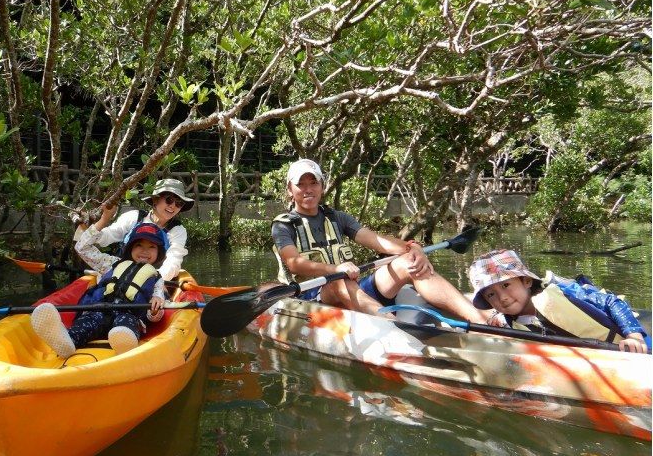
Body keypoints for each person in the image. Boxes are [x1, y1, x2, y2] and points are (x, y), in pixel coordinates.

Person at [271, 159, 489, 323]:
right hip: (311, 299)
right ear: (291, 190)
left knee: (408, 263)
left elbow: (377, 241)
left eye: (313, 182)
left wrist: (412, 248)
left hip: (350, 288)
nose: (308, 189)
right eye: (301, 184)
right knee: (338, 281)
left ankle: (480, 321)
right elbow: (294, 263)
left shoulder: (337, 218)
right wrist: (335, 268)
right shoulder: (283, 225)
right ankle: (394, 329)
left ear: (322, 186)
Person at [469, 249, 649, 353]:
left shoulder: (562, 292)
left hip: (633, 346)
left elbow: (611, 301)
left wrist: (633, 336)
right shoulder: (508, 323)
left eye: (506, 285)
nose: (503, 297)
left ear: (526, 281)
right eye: (491, 295)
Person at [32, 223, 170, 357]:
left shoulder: (157, 278)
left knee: (126, 323)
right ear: (130, 248)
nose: (144, 251)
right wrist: (103, 220)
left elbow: (156, 311)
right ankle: (68, 341)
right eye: (139, 245)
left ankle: (125, 342)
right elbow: (82, 248)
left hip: (129, 314)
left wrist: (155, 309)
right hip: (100, 310)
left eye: (151, 246)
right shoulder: (111, 263)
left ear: (159, 253)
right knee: (88, 322)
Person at [75, 178, 193, 280]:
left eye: (179, 203)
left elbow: (173, 260)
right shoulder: (133, 217)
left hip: (154, 276)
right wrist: (104, 219)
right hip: (121, 271)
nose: (173, 206)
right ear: (156, 200)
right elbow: (102, 238)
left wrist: (152, 280)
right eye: (169, 200)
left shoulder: (178, 230)